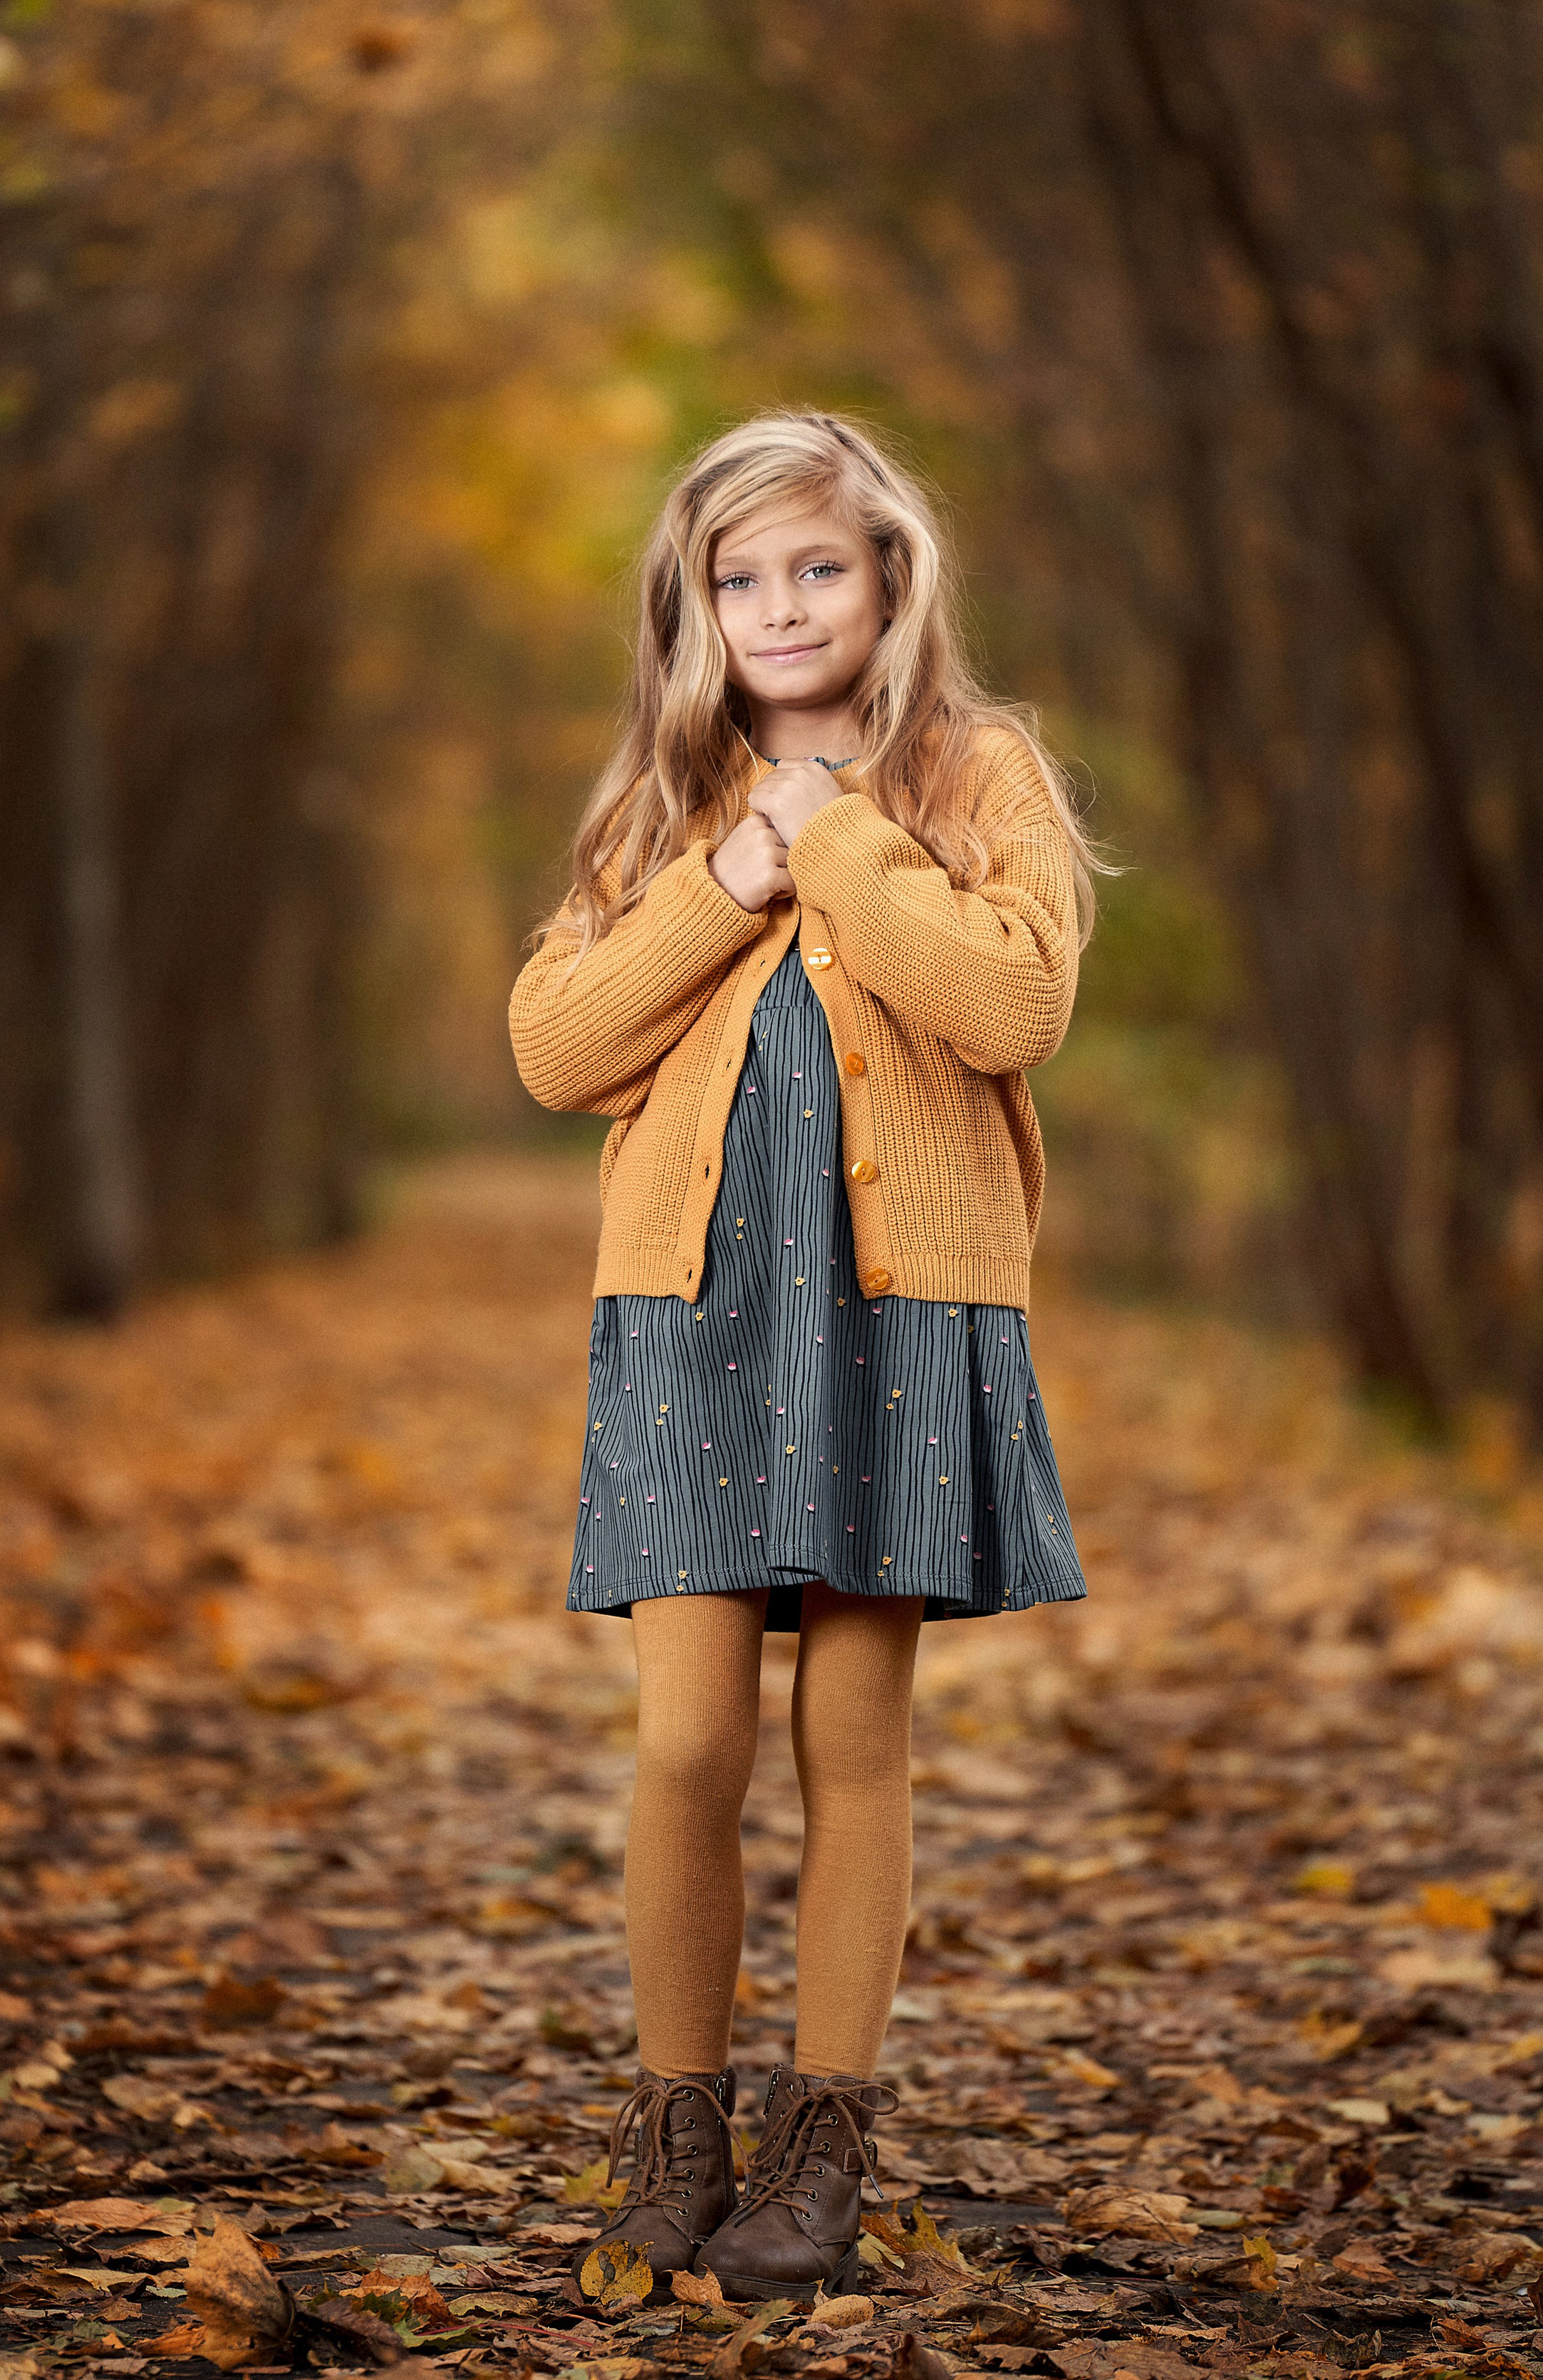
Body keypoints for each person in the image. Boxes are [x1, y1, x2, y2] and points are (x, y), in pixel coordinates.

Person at [508, 411, 1098, 2304]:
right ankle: (675, 2126)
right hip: (687, 1317)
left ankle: (821, 2143)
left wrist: (838, 840)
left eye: (817, 567)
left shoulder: (972, 771)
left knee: (854, 1736)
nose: (778, 606)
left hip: (899, 1309)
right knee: (688, 1740)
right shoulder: (663, 796)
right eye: (739, 576)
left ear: (892, 578)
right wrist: (727, 876)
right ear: (698, 602)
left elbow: (1013, 999)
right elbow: (558, 1049)